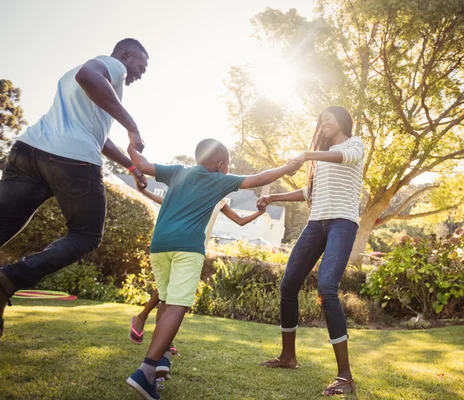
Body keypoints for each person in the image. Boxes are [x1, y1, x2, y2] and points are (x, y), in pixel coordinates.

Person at [124, 138, 300, 399]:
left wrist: (131, 142)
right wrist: (288, 167)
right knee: (177, 305)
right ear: (219, 164)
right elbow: (258, 177)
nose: (228, 170)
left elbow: (140, 163)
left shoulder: (177, 171)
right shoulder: (219, 180)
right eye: (227, 165)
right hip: (187, 247)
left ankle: (160, 360)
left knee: (165, 299)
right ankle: (146, 371)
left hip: (159, 245)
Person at [0, 38, 150, 338]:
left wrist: (132, 167)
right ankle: (7, 279)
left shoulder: (84, 83)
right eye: (140, 66)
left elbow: (99, 137)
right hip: (71, 161)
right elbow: (88, 76)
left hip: (29, 151)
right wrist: (132, 126)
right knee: (86, 234)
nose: (140, 74)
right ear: (126, 54)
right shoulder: (110, 67)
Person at [258, 106, 364, 396]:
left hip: (342, 222)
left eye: (327, 119)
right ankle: (288, 357)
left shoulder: (354, 144)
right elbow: (309, 193)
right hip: (316, 223)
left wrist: (307, 155)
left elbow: (345, 157)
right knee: (288, 284)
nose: (323, 124)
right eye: (321, 121)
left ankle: (345, 377)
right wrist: (273, 197)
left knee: (327, 288)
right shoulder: (321, 158)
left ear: (341, 121)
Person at [129, 188, 266, 355]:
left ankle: (149, 323)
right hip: (177, 243)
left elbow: (240, 220)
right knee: (169, 293)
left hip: (195, 249)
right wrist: (145, 191)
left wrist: (260, 212)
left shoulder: (220, 199)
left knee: (170, 292)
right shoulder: (193, 190)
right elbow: (166, 201)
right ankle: (159, 337)